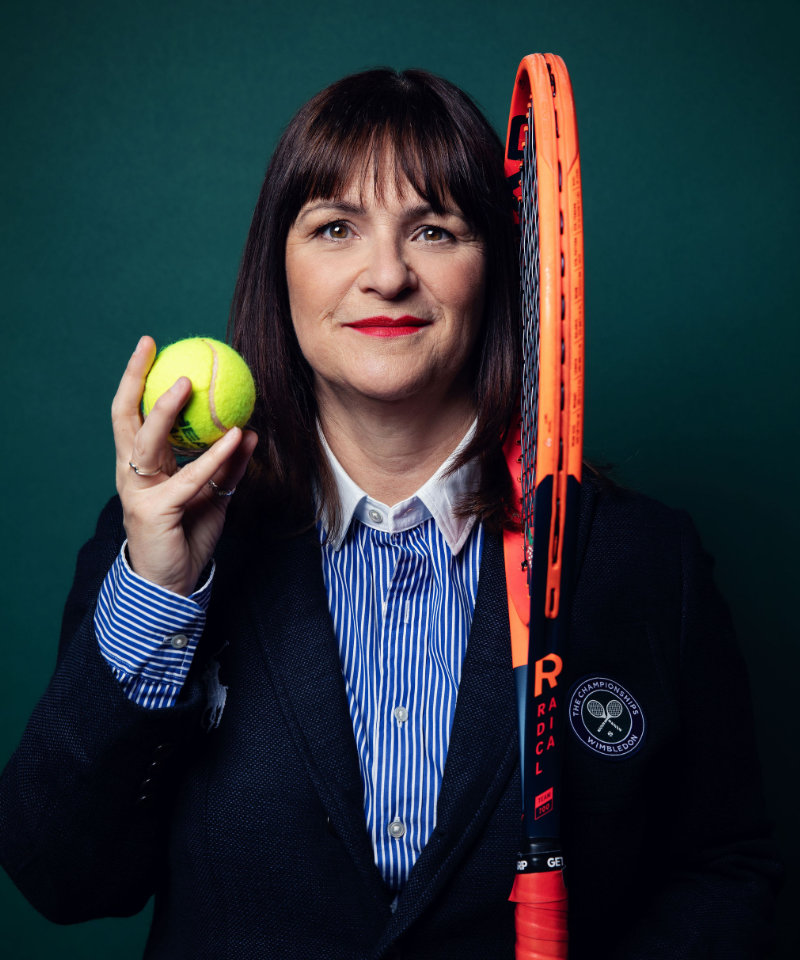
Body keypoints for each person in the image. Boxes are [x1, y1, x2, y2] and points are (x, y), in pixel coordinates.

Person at [0, 68, 781, 959]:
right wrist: (158, 595)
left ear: (498, 268)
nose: (386, 275)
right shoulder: (156, 541)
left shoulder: (643, 561)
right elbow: (61, 878)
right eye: (335, 228)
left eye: (434, 230)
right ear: (278, 267)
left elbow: (726, 869)